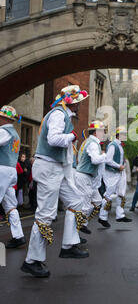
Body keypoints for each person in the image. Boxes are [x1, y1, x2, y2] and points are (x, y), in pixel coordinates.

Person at [21, 85, 89, 278]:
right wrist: (72, 136)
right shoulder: (59, 115)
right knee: (45, 215)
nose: (80, 105)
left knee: (76, 202)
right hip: (49, 168)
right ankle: (32, 260)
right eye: (78, 102)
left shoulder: (64, 116)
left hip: (57, 168)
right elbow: (53, 139)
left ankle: (68, 245)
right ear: (71, 102)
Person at [0, 105, 26, 249]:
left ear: (4, 118)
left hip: (1, 169)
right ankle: (18, 236)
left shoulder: (3, 131)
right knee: (10, 205)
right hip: (11, 170)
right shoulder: (15, 133)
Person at [75, 121, 107, 234]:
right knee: (85, 206)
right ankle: (77, 230)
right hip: (84, 176)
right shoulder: (93, 143)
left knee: (98, 202)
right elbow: (95, 160)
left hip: (87, 177)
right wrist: (104, 155)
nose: (104, 134)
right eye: (102, 131)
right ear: (96, 132)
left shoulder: (89, 142)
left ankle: (81, 225)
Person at [99, 126, 132, 227]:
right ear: (119, 135)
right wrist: (119, 166)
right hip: (112, 172)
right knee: (108, 194)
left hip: (119, 172)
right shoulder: (113, 145)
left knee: (121, 193)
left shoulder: (120, 146)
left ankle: (120, 215)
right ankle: (102, 217)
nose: (125, 136)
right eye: (124, 134)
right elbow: (108, 160)